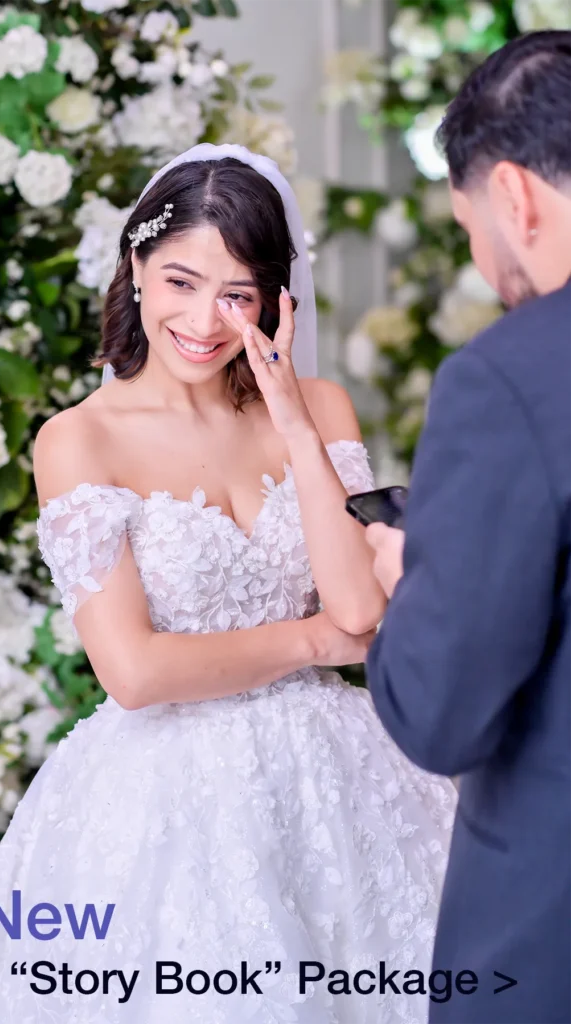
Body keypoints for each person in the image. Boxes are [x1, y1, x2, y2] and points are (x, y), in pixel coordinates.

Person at [0, 144, 456, 1024]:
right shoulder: (79, 440)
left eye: (237, 293)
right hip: (164, 794)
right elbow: (135, 671)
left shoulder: (321, 405)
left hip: (339, 780)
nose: (204, 319)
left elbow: (360, 607)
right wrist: (312, 644)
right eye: (181, 282)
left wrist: (296, 429)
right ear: (136, 269)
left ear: (276, 300)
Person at [363, 30, 571, 1024]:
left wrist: (412, 573)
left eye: (468, 230)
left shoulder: (507, 378)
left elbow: (440, 715)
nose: (486, 268)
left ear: (513, 198)